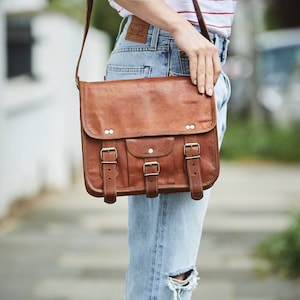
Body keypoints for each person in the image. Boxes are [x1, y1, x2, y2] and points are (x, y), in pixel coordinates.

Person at [105, 0, 237, 299]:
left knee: (166, 262)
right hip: (171, 53)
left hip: (191, 55)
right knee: (167, 269)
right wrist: (179, 27)